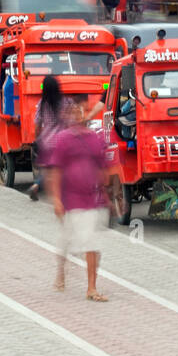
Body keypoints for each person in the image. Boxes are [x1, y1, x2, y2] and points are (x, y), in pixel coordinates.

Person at [43, 98, 112, 302]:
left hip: (91, 200)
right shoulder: (63, 139)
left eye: (81, 111)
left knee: (91, 242)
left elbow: (103, 169)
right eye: (73, 112)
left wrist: (107, 195)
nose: (77, 115)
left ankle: (91, 287)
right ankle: (61, 273)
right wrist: (57, 199)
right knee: (65, 240)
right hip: (69, 200)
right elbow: (55, 171)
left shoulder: (95, 138)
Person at [28, 74, 66, 202]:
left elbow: (37, 123)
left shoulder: (42, 104)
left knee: (48, 169)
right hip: (62, 142)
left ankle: (36, 185)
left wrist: (37, 138)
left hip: (46, 141)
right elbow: (69, 121)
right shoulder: (64, 102)